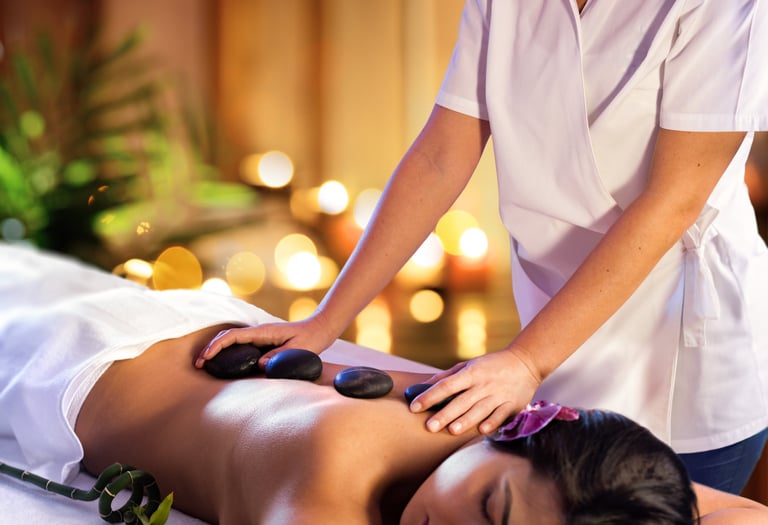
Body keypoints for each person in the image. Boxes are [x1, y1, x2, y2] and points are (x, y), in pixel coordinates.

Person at [198, 0, 768, 493]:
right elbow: (442, 155)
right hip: (553, 331)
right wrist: (326, 321)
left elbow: (672, 202)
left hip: (680, 354)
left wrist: (526, 359)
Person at [0, 244, 767, 524]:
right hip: (75, 360)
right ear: (520, 431)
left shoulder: (540, 459)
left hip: (216, 325)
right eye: (489, 515)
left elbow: (729, 512)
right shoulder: (330, 478)